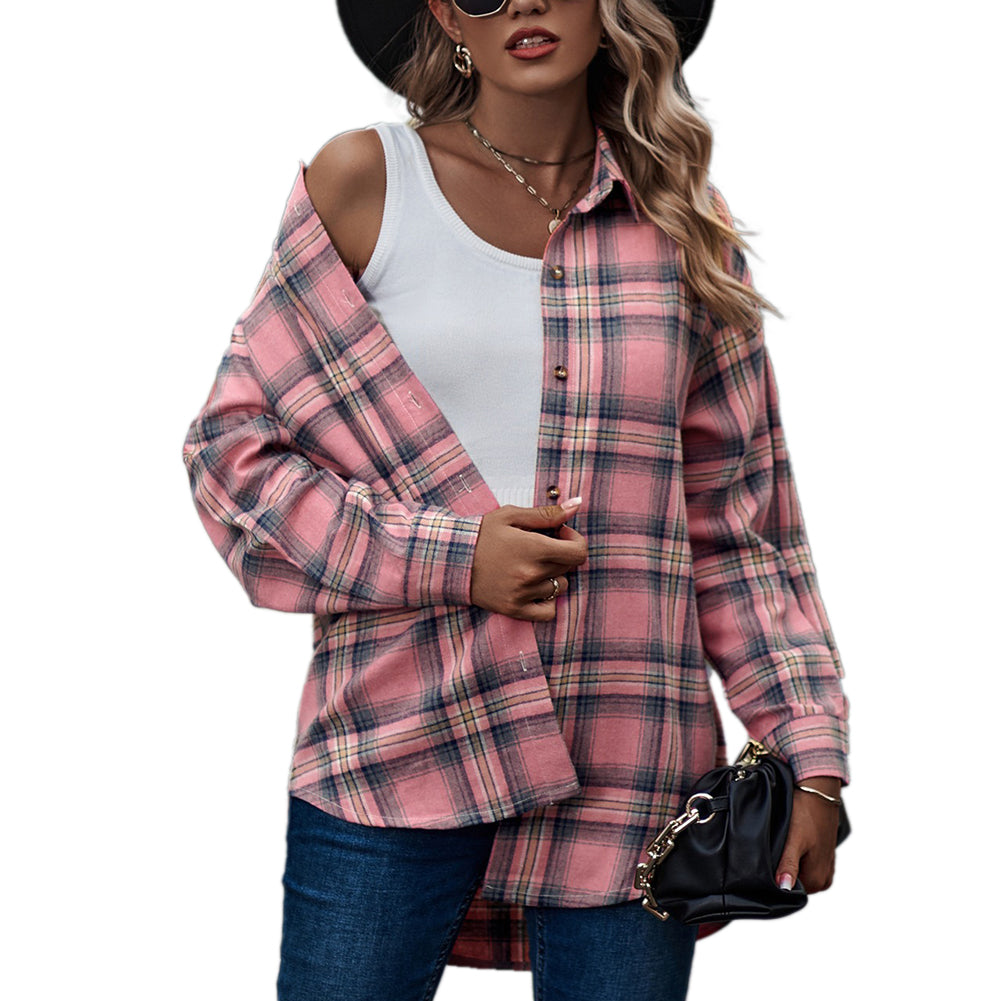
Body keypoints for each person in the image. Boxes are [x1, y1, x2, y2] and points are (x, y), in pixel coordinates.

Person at [182, 1, 850, 998]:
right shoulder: (368, 182)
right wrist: (453, 557)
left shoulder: (682, 226)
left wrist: (810, 751)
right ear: (444, 12)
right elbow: (232, 456)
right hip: (395, 744)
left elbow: (740, 526)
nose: (523, 3)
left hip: (629, 765)